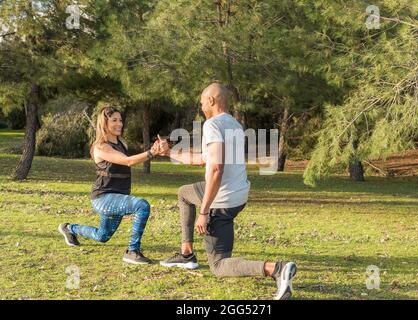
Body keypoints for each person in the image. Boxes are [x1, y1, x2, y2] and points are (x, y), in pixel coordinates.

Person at [157, 83, 297, 299]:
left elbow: (216, 168)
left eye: (202, 101)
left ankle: (277, 269)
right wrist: (169, 154)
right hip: (238, 195)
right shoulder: (234, 124)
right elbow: (204, 160)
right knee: (185, 193)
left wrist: (203, 212)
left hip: (221, 200)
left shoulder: (212, 125)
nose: (201, 105)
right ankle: (187, 254)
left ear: (211, 101)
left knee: (219, 265)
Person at [58, 106, 161, 265]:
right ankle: (133, 251)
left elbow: (127, 162)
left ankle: (69, 228)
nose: (119, 124)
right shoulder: (101, 147)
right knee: (142, 205)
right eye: (114, 120)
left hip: (118, 197)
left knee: (102, 236)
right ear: (104, 123)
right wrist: (151, 152)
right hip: (103, 198)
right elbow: (128, 161)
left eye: (120, 120)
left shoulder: (122, 143)